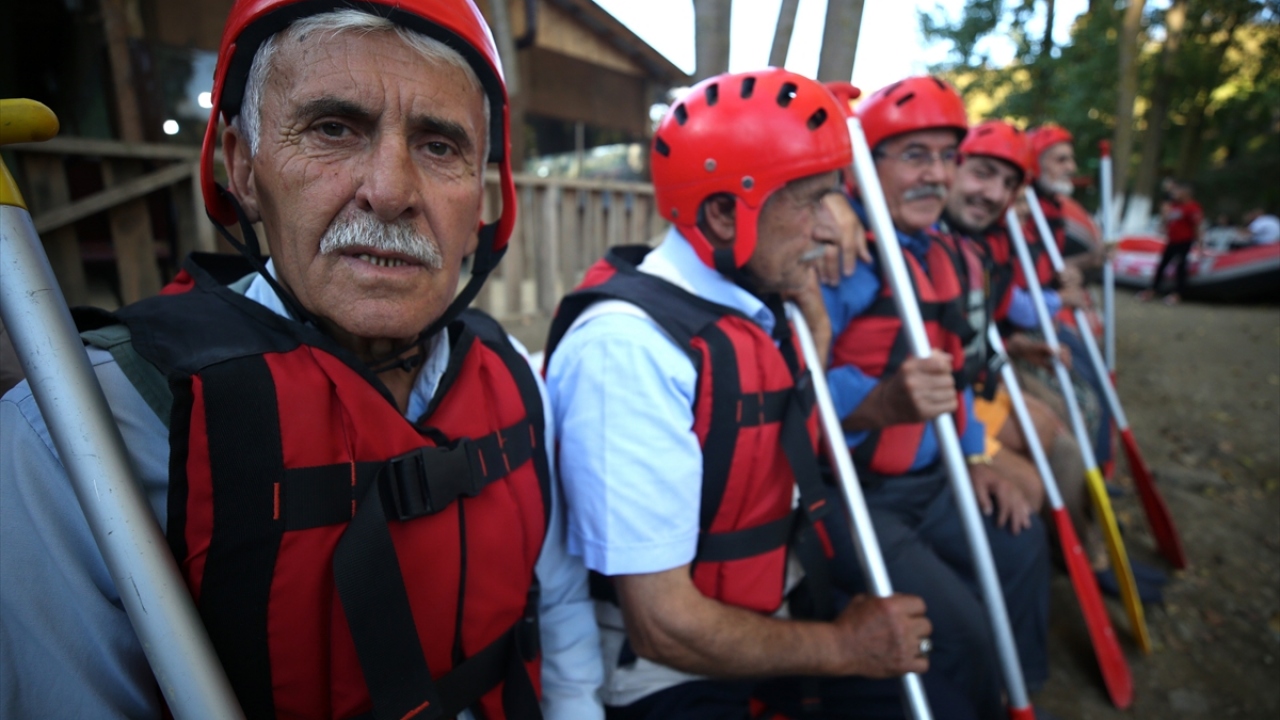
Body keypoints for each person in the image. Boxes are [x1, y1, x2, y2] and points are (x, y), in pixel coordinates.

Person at [0, 2, 602, 718]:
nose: (391, 192)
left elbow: (560, 612)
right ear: (241, 167)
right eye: (333, 129)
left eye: (440, 146)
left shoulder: (516, 377)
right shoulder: (89, 430)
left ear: (481, 207)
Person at [545, 70, 950, 720]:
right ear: (725, 213)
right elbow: (663, 626)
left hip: (768, 607)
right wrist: (846, 647)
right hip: (663, 677)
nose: (830, 231)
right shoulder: (628, 350)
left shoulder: (759, 303)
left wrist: (818, 335)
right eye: (812, 203)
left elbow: (767, 437)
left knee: (944, 664)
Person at [822, 77, 1051, 718]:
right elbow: (793, 388)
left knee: (1021, 543)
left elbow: (960, 373)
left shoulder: (951, 254)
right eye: (915, 155)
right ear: (867, 163)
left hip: (934, 476)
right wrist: (876, 402)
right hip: (854, 494)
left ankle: (1016, 696)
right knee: (960, 630)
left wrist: (975, 459)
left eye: (947, 156)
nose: (937, 175)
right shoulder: (839, 256)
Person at [942, 119, 1100, 569]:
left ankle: (1079, 551)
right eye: (982, 174)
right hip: (946, 403)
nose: (997, 195)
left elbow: (985, 318)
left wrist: (1015, 348)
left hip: (976, 378)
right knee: (1042, 463)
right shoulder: (935, 239)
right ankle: (1062, 557)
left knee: (1059, 433)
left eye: (1010, 185)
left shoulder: (981, 245)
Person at [1140, 179, 1203, 304]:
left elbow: (1197, 226)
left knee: (1181, 267)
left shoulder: (1193, 207)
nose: (1177, 193)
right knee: (1162, 265)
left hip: (1184, 241)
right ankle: (1153, 290)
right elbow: (1168, 220)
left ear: (1186, 193)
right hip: (1172, 240)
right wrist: (1164, 220)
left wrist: (1200, 242)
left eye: (1180, 191)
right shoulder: (1174, 206)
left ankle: (1177, 294)